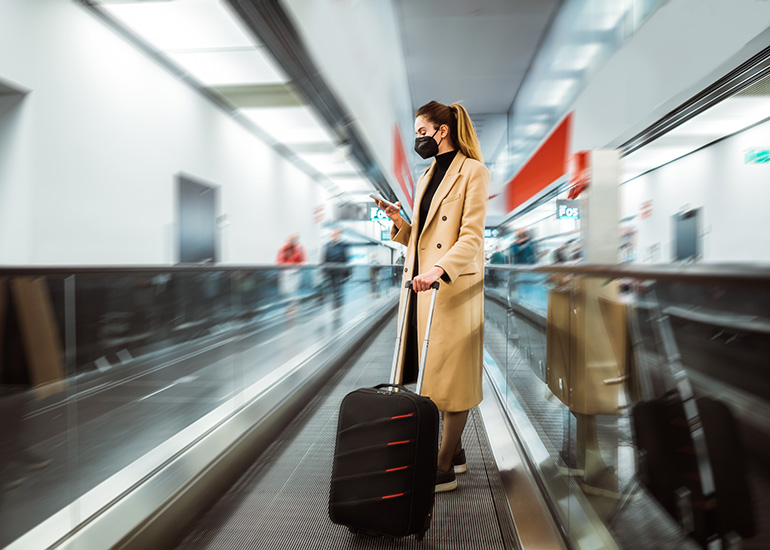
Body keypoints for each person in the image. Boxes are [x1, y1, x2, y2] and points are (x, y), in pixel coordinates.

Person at [374, 100, 488, 493]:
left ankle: (442, 466)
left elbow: (471, 236)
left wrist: (441, 269)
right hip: (422, 289)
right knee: (430, 375)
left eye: (423, 131)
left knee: (452, 380)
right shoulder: (426, 176)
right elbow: (423, 238)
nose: (418, 138)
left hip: (452, 288)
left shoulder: (473, 172)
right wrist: (399, 223)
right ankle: (455, 452)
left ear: (443, 130)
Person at [322, 229, 349, 310]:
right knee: (332, 287)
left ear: (339, 236)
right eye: (333, 235)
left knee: (338, 286)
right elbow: (324, 258)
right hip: (330, 270)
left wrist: (346, 271)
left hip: (339, 270)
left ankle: (338, 302)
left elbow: (345, 258)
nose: (334, 236)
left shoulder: (342, 245)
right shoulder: (327, 245)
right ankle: (335, 301)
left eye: (336, 235)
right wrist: (323, 271)